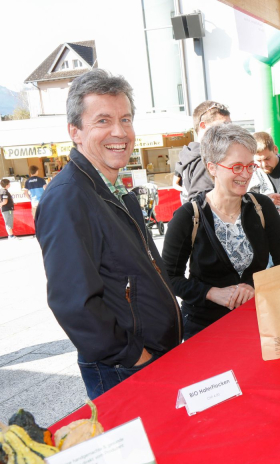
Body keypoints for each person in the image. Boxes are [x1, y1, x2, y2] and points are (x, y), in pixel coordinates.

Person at [35, 69, 182, 399]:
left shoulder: (115, 189)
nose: (120, 132)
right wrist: (134, 356)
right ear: (75, 131)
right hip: (124, 367)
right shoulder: (68, 196)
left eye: (126, 119)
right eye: (103, 121)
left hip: (150, 358)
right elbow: (73, 303)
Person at [162, 124, 280, 340]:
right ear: (212, 167)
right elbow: (168, 277)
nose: (246, 175)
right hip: (205, 330)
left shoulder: (261, 207)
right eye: (237, 167)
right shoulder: (190, 216)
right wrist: (211, 292)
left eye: (251, 166)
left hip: (259, 321)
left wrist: (255, 286)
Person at [173, 101, 231, 203]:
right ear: (203, 125)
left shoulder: (189, 155)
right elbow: (202, 204)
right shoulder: (204, 160)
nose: (229, 130)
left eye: (230, 125)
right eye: (223, 125)